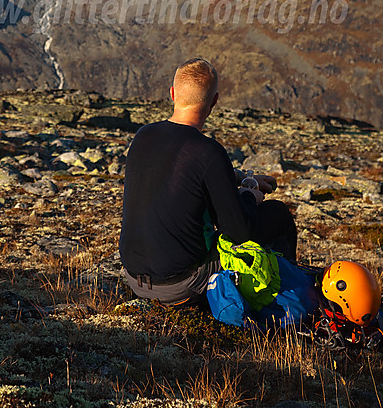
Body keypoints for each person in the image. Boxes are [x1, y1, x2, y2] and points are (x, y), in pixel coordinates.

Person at [119, 57, 297, 305]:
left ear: (172, 94)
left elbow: (183, 175)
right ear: (214, 101)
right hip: (181, 285)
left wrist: (244, 180)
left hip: (135, 278)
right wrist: (250, 196)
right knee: (277, 214)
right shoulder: (208, 151)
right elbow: (238, 231)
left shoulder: (144, 135)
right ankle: (285, 298)